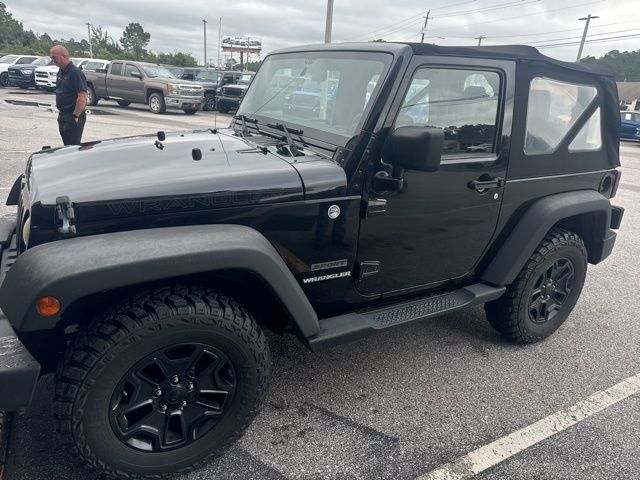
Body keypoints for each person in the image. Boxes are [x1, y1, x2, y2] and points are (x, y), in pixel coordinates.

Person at [50, 45, 88, 145]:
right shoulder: (61, 72)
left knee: (73, 147)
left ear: (63, 56)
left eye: (54, 57)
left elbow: (82, 96)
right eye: (51, 57)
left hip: (72, 115)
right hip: (62, 115)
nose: (52, 60)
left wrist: (75, 115)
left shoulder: (75, 73)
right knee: (66, 146)